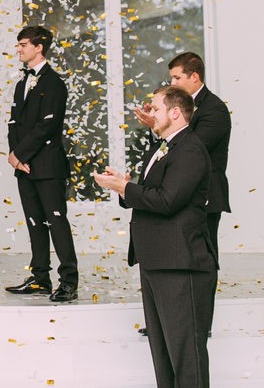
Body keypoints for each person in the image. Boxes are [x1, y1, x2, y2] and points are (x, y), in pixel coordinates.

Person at [94, 86, 216, 388]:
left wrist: (124, 189)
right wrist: (124, 186)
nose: (151, 113)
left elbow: (167, 200)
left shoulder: (190, 149)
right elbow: (152, 192)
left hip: (180, 263)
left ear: (175, 112)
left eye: (156, 108)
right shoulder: (166, 146)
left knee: (186, 355)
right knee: (163, 354)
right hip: (157, 260)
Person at [3, 25, 79, 303]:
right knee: (34, 222)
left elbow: (47, 126)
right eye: (18, 44)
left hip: (48, 166)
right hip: (24, 166)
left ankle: (69, 281)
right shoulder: (21, 83)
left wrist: (20, 154)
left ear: (39, 47)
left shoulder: (55, 84)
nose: (19, 49)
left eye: (23, 44)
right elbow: (14, 122)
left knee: (56, 222)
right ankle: (40, 278)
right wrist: (15, 155)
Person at [134, 51, 230, 256]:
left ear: (194, 76)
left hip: (205, 194)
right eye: (172, 78)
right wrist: (156, 126)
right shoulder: (175, 106)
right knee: (177, 253)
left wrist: (162, 124)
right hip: (175, 191)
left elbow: (191, 149)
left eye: (177, 77)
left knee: (202, 255)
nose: (173, 83)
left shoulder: (214, 109)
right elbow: (169, 145)